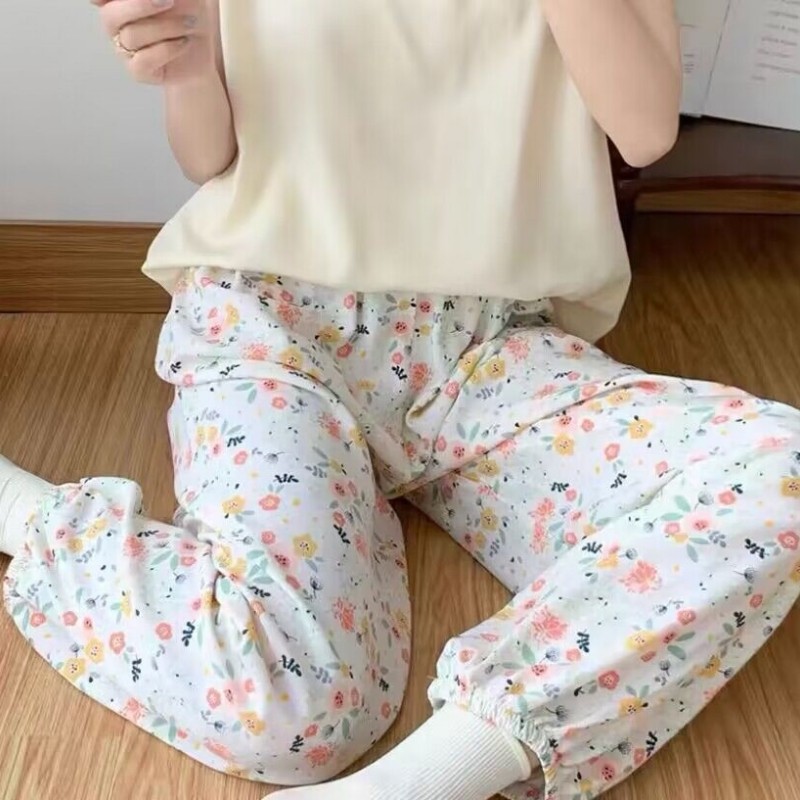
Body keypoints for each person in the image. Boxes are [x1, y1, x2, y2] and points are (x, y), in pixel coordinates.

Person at [2, 1, 799, 798]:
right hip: (275, 323)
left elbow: (644, 129)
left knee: (777, 468)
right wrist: (183, 65)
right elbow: (207, 153)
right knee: (287, 708)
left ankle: (423, 782)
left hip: (487, 351)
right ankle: (21, 512)